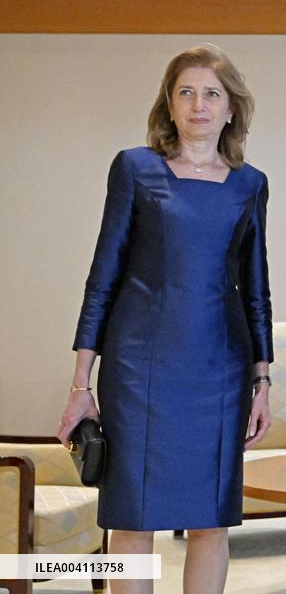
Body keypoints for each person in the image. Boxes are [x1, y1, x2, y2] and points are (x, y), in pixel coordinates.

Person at [57, 44, 273, 594]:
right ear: (169, 105)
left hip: (219, 370)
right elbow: (102, 276)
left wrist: (262, 380)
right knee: (132, 516)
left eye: (212, 93)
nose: (198, 104)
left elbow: (255, 288)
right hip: (138, 370)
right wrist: (81, 382)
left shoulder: (251, 184)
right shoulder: (134, 167)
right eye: (185, 92)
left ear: (231, 109)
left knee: (211, 520)